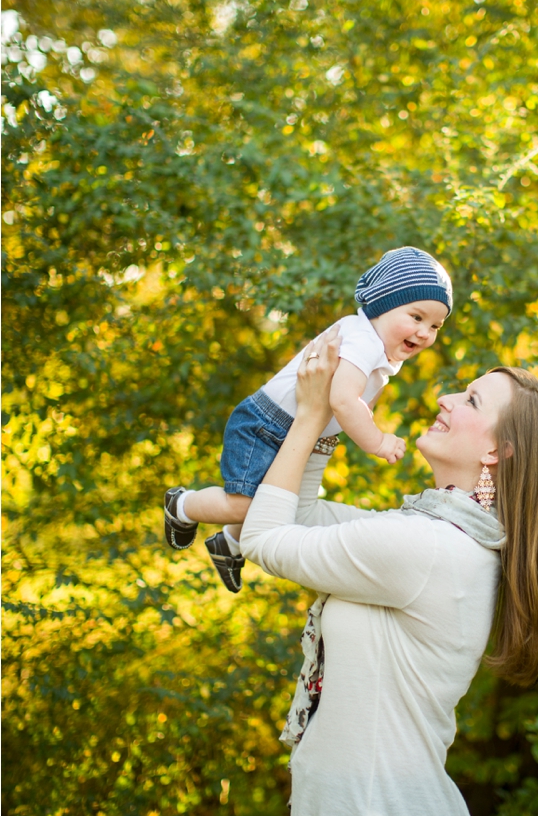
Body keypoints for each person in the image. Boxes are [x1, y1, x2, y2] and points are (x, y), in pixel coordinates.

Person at [238, 327, 538, 816]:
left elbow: (267, 537)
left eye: (473, 398)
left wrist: (312, 413)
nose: (447, 396)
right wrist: (335, 412)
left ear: (496, 450)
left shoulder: (431, 549)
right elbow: (298, 512)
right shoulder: (426, 534)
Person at [163, 246, 452, 593]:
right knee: (244, 504)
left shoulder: (382, 350)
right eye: (416, 317)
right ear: (383, 304)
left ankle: (230, 543)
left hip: (295, 431)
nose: (424, 332)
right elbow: (344, 401)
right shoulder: (362, 340)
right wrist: (377, 441)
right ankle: (181, 505)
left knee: (284, 507)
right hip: (265, 426)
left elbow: (356, 401)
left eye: (435, 325)